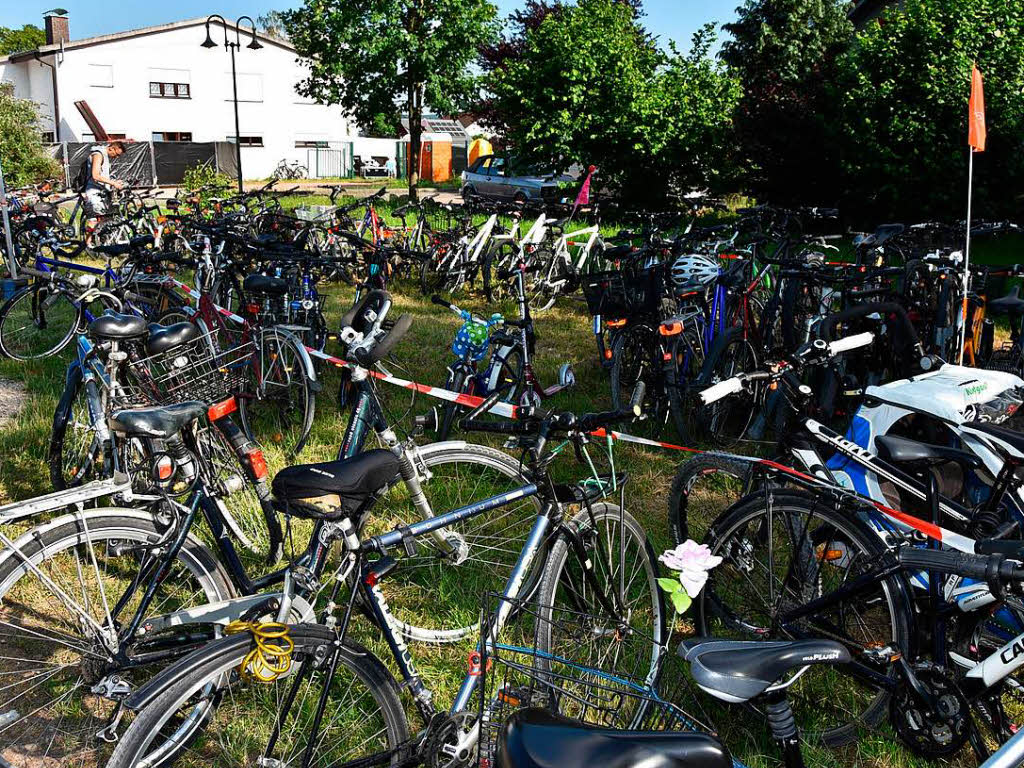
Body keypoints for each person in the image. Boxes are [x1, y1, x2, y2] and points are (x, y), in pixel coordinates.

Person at [82, 141, 126, 229]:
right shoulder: (98, 155)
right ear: (111, 148)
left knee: (106, 220)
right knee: (93, 221)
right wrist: (113, 183)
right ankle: (88, 242)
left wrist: (114, 181)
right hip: (93, 192)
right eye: (116, 154)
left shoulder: (105, 156)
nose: (116, 157)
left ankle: (101, 241)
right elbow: (96, 175)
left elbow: (103, 175)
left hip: (101, 191)